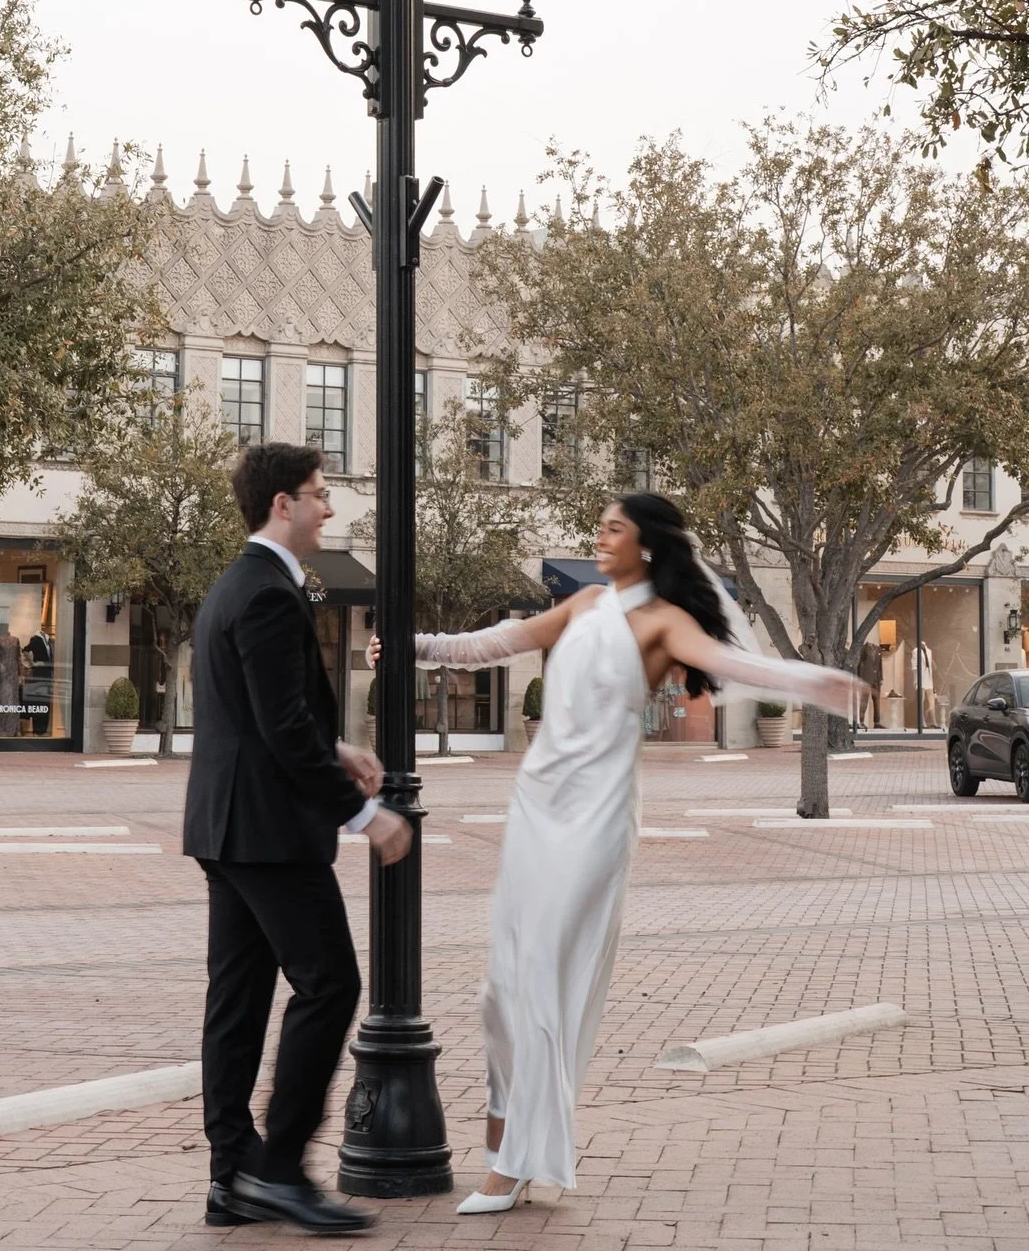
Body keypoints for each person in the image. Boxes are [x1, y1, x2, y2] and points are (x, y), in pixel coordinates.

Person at [370, 492, 865, 1215]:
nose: (599, 537)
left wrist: (813, 681)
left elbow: (731, 663)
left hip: (594, 820)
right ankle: (508, 1142)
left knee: (542, 979)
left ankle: (513, 1168)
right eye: (599, 526)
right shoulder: (585, 604)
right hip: (536, 806)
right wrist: (412, 646)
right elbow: (497, 642)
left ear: (648, 545)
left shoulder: (666, 622)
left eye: (613, 528)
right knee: (500, 991)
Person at [183, 442, 413, 1236]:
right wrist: (363, 815)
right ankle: (279, 1171)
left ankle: (231, 1177)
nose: (329, 506)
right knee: (331, 986)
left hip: (228, 828)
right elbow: (278, 728)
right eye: (319, 494)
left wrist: (339, 749)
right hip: (271, 833)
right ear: (282, 503)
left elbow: (263, 716)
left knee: (238, 1003)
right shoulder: (271, 595)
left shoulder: (236, 587)